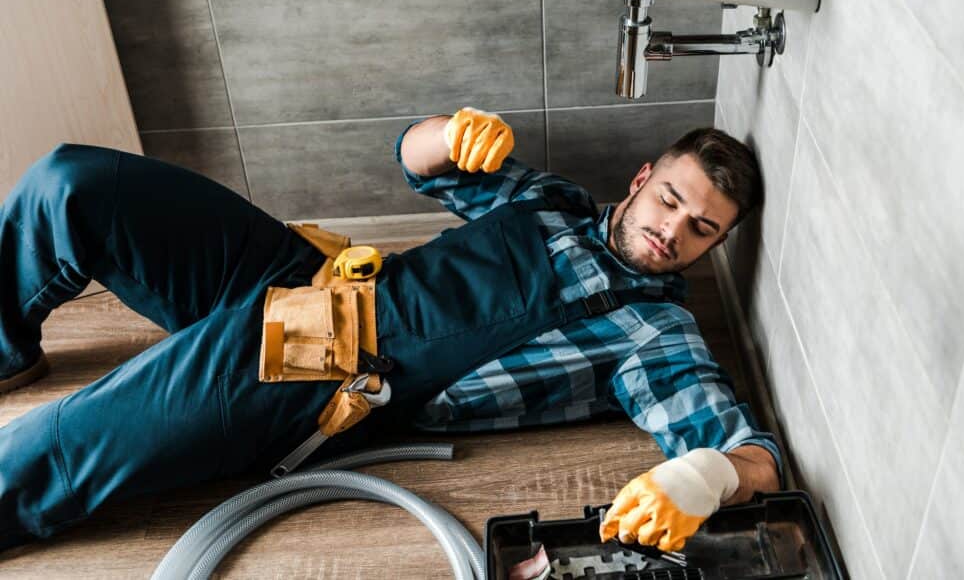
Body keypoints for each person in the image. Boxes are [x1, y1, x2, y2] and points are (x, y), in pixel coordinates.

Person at [0, 108, 780, 554]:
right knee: (72, 185)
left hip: (324, 366)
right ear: (642, 179)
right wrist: (449, 131)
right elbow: (421, 164)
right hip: (310, 272)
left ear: (715, 246)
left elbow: (755, 458)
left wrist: (706, 477)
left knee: (62, 446)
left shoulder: (653, 331)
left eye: (702, 229)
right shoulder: (553, 201)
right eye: (670, 201)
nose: (671, 231)